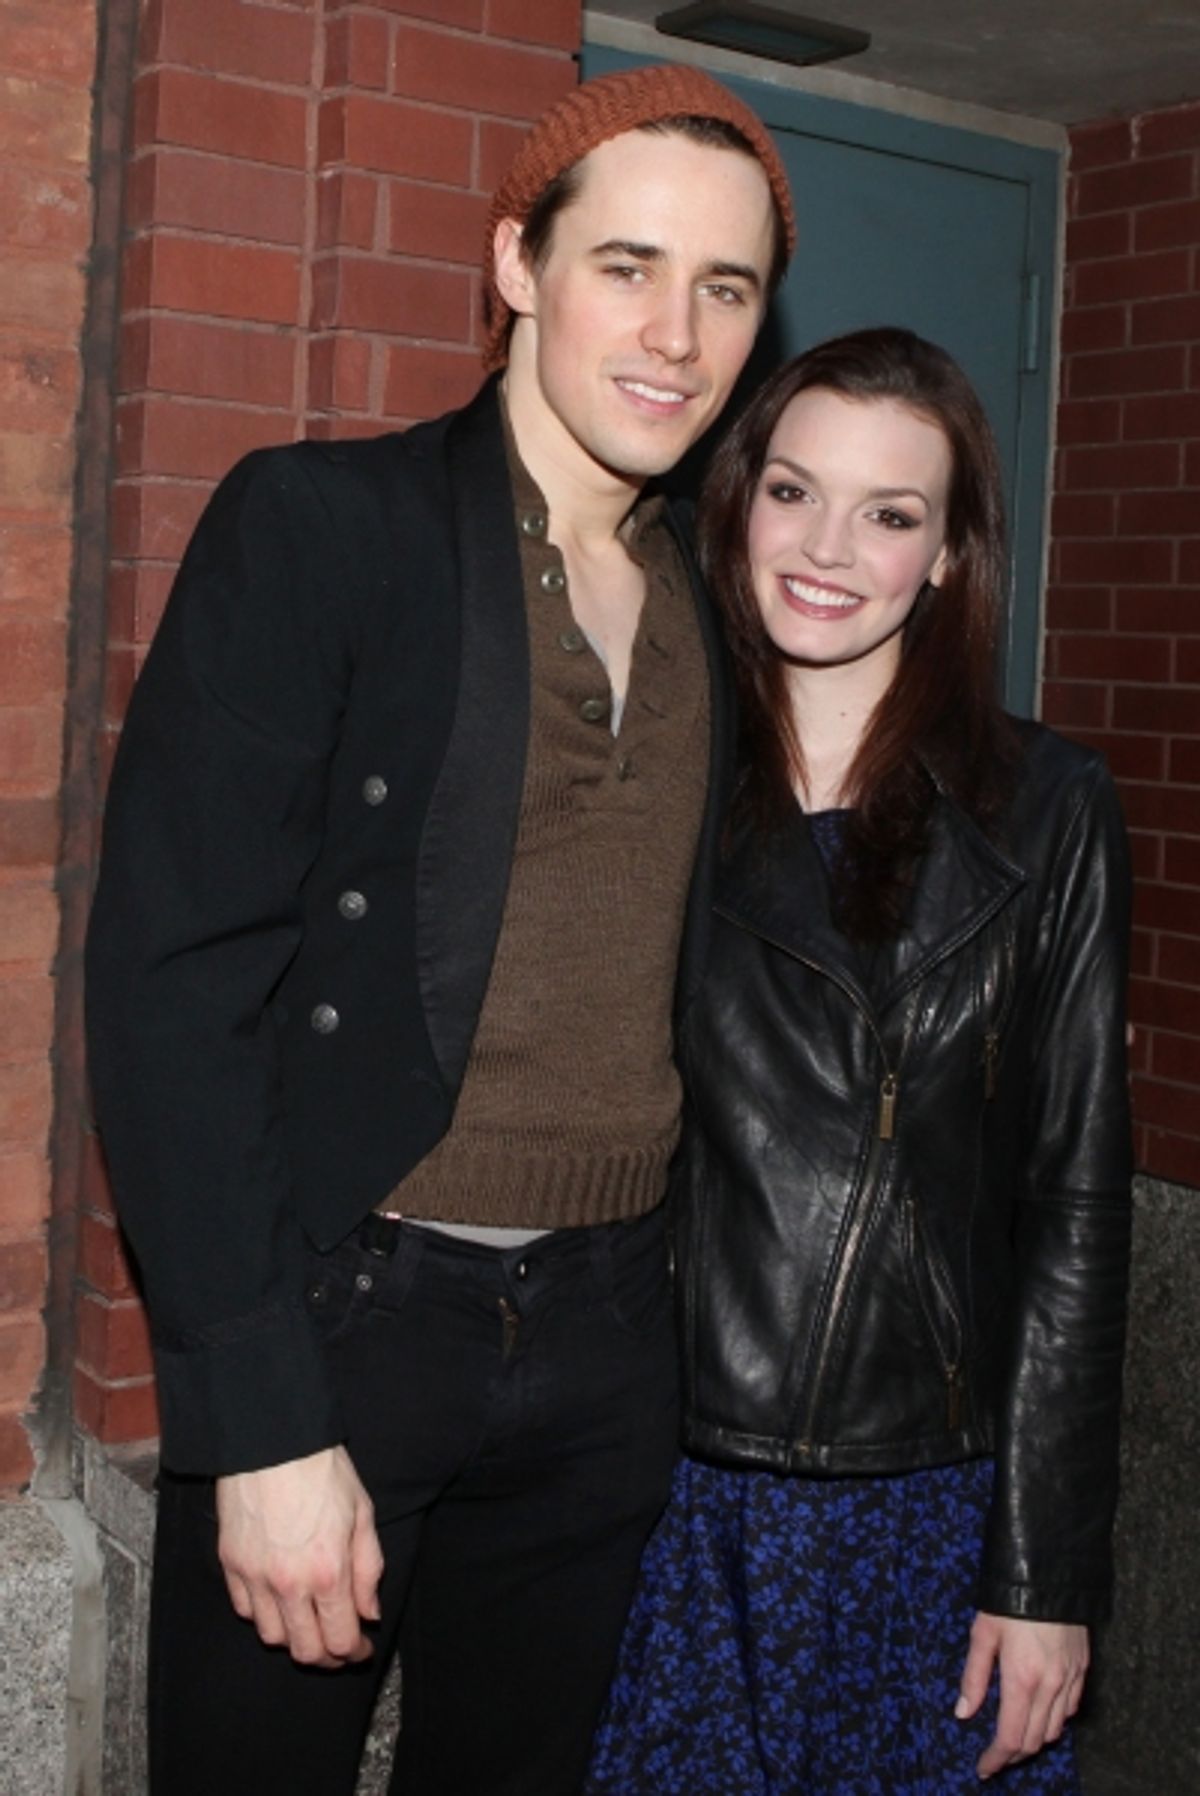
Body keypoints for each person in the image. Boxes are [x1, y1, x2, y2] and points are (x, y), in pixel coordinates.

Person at [84, 63, 795, 1796]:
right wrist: (259, 1421)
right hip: (353, 1307)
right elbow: (172, 985)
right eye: (626, 265)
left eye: (727, 286)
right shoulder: (327, 532)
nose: (676, 333)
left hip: (615, 1334)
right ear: (515, 267)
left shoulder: (729, 601)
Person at [587, 327, 1133, 1795]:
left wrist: (1045, 1569)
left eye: (891, 515)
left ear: (951, 553)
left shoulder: (1046, 811)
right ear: (735, 505)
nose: (828, 549)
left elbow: (1076, 1213)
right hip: (658, 1492)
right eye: (792, 492)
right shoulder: (647, 780)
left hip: (923, 1513)